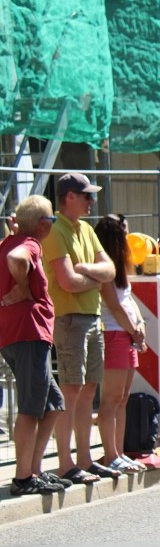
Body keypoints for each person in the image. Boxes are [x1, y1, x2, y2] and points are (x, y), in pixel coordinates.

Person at [41, 172, 117, 483]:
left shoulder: (85, 229)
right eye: (86, 195)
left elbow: (110, 270)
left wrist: (86, 270)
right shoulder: (55, 230)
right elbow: (67, 282)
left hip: (91, 317)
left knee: (88, 392)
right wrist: (93, 278)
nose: (92, 201)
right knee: (71, 393)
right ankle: (65, 462)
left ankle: (85, 459)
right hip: (69, 319)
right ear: (69, 197)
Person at [1, 196, 67, 495]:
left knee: (53, 404)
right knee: (31, 408)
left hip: (17, 336)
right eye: (52, 220)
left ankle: (34, 469)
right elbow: (17, 259)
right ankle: (23, 478)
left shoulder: (11, 240)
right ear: (44, 224)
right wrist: (25, 286)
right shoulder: (29, 244)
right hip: (28, 335)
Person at [93, 214, 147, 474]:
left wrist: (140, 326)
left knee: (123, 398)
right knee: (111, 399)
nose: (128, 236)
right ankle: (110, 454)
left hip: (127, 335)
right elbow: (113, 306)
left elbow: (128, 299)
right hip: (114, 334)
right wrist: (133, 330)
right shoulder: (103, 266)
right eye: (123, 231)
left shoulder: (122, 266)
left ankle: (120, 453)